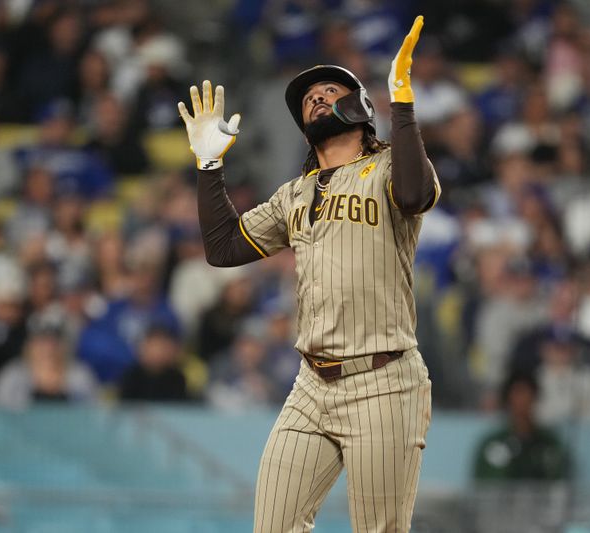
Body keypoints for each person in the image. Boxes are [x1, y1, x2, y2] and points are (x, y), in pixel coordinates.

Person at [179, 16, 439, 533]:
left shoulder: (388, 167)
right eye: (308, 98)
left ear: (361, 108)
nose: (316, 98)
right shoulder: (295, 193)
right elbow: (224, 248)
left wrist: (403, 108)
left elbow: (415, 195)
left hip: (383, 380)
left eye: (330, 89)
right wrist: (209, 166)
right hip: (311, 386)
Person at [473, 372, 571, 481]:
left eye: (527, 395)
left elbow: (559, 484)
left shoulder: (549, 445)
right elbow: (482, 488)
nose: (522, 402)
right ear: (507, 400)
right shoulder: (492, 445)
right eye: (517, 395)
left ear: (535, 398)